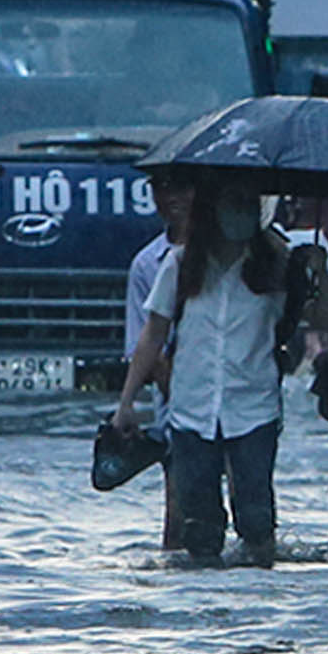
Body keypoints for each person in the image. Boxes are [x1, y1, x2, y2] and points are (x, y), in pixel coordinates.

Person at [114, 178, 305, 568]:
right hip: (191, 409)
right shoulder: (181, 264)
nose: (238, 214)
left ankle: (257, 594)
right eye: (231, 203)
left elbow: (312, 325)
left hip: (254, 407)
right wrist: (127, 402)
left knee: (255, 517)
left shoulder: (278, 267)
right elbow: (153, 334)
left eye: (246, 204)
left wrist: (313, 273)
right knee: (198, 525)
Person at [121, 168, 194, 549]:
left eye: (179, 186)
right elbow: (146, 343)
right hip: (179, 411)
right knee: (180, 521)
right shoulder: (148, 264)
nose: (170, 198)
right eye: (159, 188)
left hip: (242, 408)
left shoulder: (244, 253)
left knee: (251, 513)